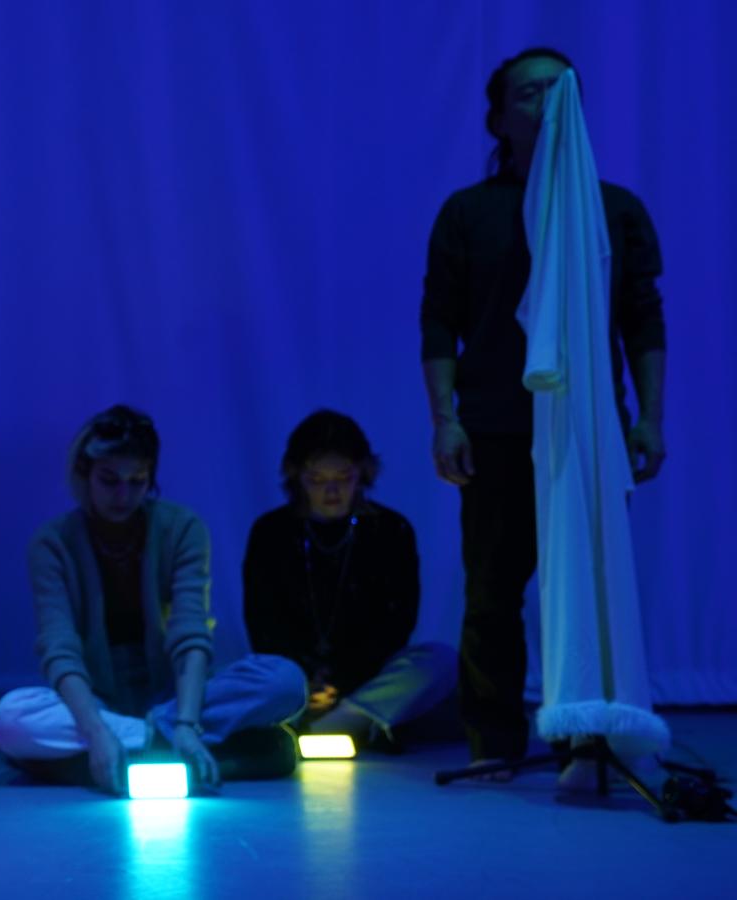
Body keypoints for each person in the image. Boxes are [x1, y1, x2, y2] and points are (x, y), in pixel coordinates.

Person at [420, 48, 667, 771]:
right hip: (496, 426)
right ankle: (494, 741)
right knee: (493, 593)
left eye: (563, 90)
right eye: (531, 92)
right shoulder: (469, 212)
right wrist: (445, 419)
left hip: (589, 430)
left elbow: (643, 321)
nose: (550, 102)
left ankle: (586, 733)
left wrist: (649, 417)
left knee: (588, 582)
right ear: (499, 118)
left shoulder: (615, 210)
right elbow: (439, 322)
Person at [0, 405, 306, 794]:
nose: (123, 495)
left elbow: (190, 634)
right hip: (98, 702)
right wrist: (97, 730)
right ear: (85, 474)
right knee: (10, 717)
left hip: (172, 697)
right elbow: (60, 650)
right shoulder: (53, 543)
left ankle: (133, 749)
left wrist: (186, 723)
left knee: (285, 681)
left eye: (137, 481)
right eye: (109, 480)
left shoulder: (182, 528)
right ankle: (169, 746)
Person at [243, 410, 454, 750]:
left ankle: (324, 728)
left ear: (362, 473)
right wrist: (307, 679)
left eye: (344, 477)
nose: (332, 490)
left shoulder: (391, 530)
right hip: (293, 681)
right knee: (260, 679)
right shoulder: (271, 532)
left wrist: (343, 680)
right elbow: (262, 622)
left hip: (365, 681)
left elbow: (398, 623)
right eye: (317, 479)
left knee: (438, 661)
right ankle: (351, 726)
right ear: (297, 477)